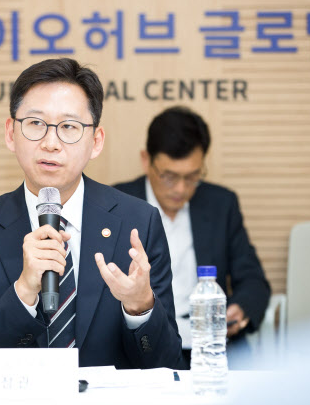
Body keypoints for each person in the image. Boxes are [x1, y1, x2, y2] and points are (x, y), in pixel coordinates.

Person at [0, 58, 183, 369]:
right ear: (10, 133)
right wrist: (24, 291)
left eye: (69, 127)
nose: (50, 143)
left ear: (96, 141)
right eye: (35, 123)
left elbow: (170, 365)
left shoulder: (138, 223)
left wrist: (140, 307)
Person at [113, 106, 271, 365]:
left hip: (210, 343)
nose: (180, 189)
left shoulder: (221, 204)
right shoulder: (117, 204)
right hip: (143, 343)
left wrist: (239, 309)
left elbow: (253, 281)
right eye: (169, 176)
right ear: (146, 160)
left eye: (192, 177)